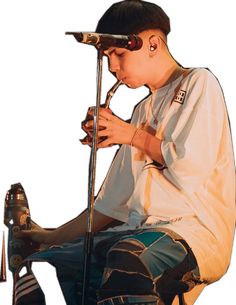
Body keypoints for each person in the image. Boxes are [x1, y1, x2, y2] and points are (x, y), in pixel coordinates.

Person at [15, 1, 235, 305]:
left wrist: (129, 135)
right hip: (139, 233)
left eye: (118, 54)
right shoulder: (142, 111)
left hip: (193, 234)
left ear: (153, 44)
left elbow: (191, 168)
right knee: (69, 258)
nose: (113, 67)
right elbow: (109, 206)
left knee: (128, 257)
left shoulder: (199, 83)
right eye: (107, 58)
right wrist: (47, 239)